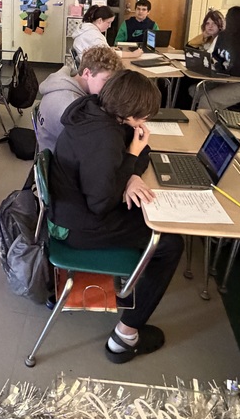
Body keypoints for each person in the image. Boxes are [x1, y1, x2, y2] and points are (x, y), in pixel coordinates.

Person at [49, 71, 182, 363]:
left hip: (74, 207)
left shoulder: (96, 110)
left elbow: (134, 151)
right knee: (170, 243)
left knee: (148, 215)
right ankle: (125, 337)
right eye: (144, 116)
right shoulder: (104, 139)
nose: (145, 122)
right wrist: (132, 160)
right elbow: (102, 204)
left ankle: (131, 284)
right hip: (80, 225)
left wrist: (132, 171)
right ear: (131, 112)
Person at [35, 45, 123, 153]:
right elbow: (95, 147)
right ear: (87, 73)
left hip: (53, 147)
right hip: (59, 161)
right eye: (106, 81)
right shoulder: (70, 105)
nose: (109, 88)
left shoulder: (63, 82)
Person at [192, 5, 240, 111]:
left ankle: (206, 125)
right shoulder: (223, 36)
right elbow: (215, 57)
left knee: (207, 100)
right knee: (194, 91)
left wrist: (221, 71)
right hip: (228, 79)